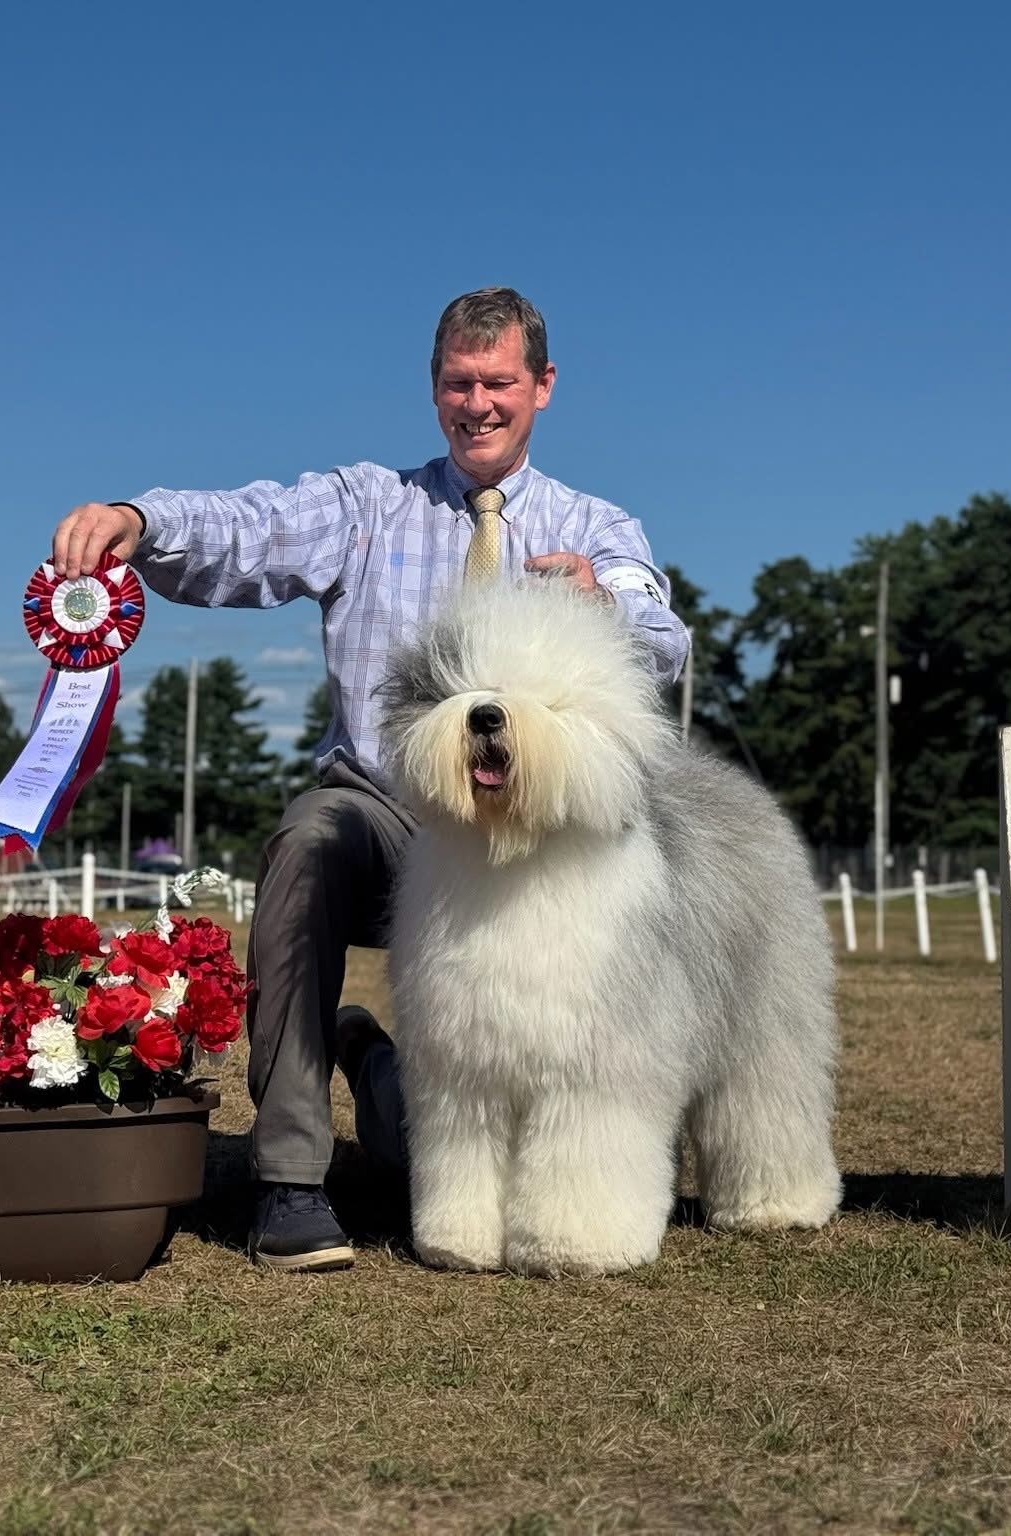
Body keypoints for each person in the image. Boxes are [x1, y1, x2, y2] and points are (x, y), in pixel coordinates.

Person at [50, 287, 689, 1271]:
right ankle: (290, 1177)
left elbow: (662, 643)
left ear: (543, 386)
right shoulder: (366, 504)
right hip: (391, 813)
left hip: (534, 843)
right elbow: (249, 526)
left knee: (438, 1124)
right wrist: (140, 519)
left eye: (498, 382)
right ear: (433, 389)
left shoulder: (598, 528)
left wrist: (603, 603)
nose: (477, 404)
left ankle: (404, 1083)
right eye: (457, 383)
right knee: (308, 841)